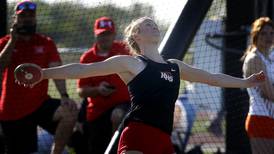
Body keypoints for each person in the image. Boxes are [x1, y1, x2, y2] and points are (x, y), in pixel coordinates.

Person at [17, 16, 265, 154]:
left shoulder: (174, 66)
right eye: (145, 25)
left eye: (153, 23)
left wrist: (246, 81)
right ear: (135, 36)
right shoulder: (131, 63)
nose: (152, 25)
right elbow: (83, 69)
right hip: (138, 135)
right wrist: (43, 73)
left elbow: (213, 78)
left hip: (163, 140)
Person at [0, 1, 78, 154]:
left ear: (35, 18)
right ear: (15, 19)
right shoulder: (5, 42)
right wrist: (13, 40)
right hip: (12, 110)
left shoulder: (46, 42)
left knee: (69, 111)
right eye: (23, 17)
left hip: (40, 103)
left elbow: (57, 70)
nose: (27, 19)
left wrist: (64, 95)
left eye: (31, 16)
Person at [74, 16, 131, 154]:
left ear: (114, 34)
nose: (105, 37)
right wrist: (97, 90)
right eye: (101, 34)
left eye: (108, 33)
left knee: (117, 115)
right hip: (97, 112)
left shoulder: (125, 49)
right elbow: (81, 91)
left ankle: (117, 150)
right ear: (96, 34)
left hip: (124, 105)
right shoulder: (87, 58)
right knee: (96, 148)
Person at [241, 17, 274, 154]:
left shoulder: (271, 56)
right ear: (255, 35)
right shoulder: (254, 59)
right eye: (263, 33)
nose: (268, 37)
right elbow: (269, 94)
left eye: (272, 33)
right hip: (261, 119)